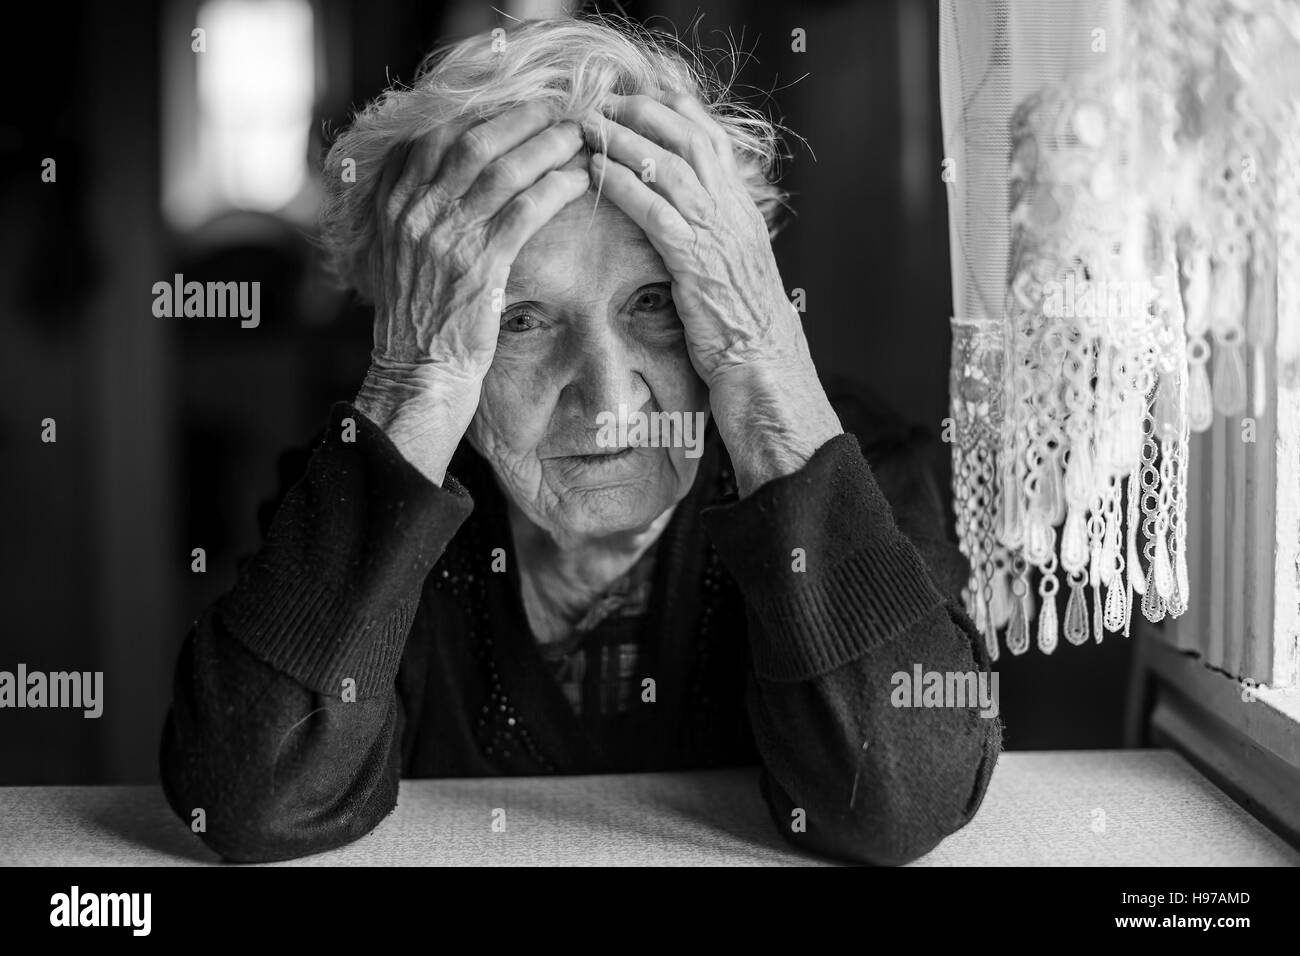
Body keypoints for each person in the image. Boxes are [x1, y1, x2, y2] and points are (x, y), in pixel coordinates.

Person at [159, 14, 1001, 865]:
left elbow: (906, 799)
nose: (607, 404)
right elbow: (246, 800)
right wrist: (413, 390)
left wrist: (764, 365)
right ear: (422, 328)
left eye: (655, 305)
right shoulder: (365, 486)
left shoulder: (861, 469)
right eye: (518, 320)